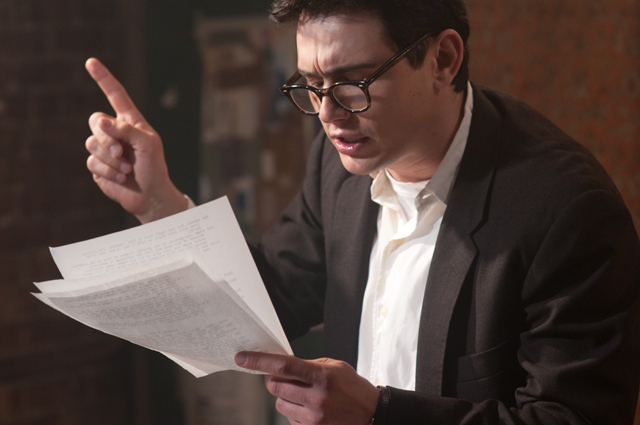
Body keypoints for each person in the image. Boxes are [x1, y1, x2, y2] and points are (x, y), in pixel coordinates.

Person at [84, 0, 640, 424]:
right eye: (311, 84)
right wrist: (159, 203)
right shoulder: (338, 163)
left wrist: (380, 416)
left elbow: (571, 418)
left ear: (443, 60)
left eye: (353, 83)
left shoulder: (565, 211)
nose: (328, 114)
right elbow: (272, 294)